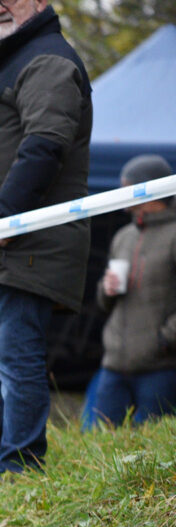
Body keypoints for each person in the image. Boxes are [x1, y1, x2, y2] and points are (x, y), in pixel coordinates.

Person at [0, 0, 92, 475]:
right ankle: (11, 463)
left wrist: (8, 220)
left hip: (23, 244)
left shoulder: (47, 58)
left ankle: (23, 469)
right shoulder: (6, 59)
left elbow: (45, 144)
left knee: (11, 353)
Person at [88, 154, 176, 426]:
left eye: (129, 189)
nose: (125, 204)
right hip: (114, 364)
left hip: (160, 367)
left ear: (151, 190)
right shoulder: (122, 237)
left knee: (153, 454)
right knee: (97, 442)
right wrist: (106, 289)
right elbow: (104, 303)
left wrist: (166, 339)